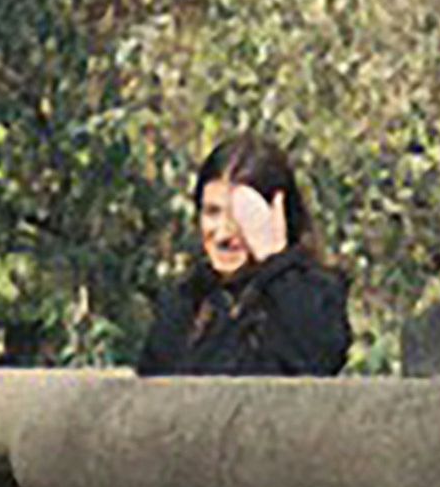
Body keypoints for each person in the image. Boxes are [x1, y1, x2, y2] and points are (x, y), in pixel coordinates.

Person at [128, 129, 350, 378]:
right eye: (212, 212)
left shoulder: (314, 293)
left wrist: (274, 261)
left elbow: (318, 361)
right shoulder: (184, 302)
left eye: (241, 217)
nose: (223, 234)